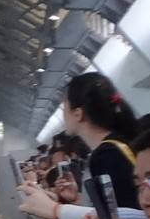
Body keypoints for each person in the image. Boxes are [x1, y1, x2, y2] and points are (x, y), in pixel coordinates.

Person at [60, 72, 140, 208]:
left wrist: (55, 210)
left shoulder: (106, 156)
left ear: (78, 114)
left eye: (64, 107)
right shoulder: (118, 144)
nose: (63, 115)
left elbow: (119, 218)